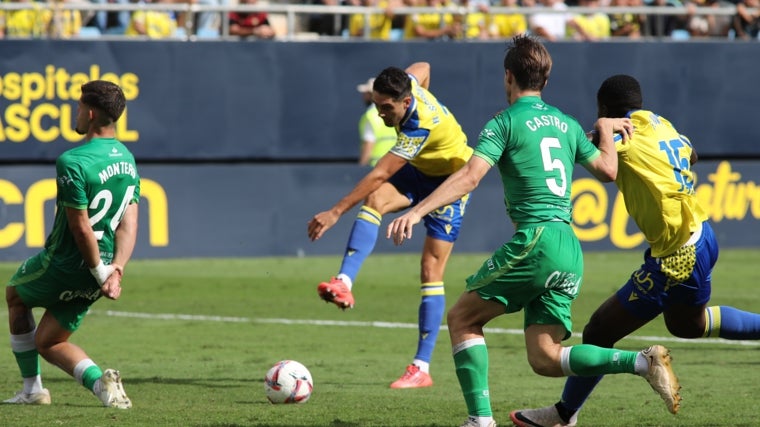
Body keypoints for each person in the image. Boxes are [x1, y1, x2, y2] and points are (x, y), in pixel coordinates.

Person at [386, 36, 681, 427]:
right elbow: (609, 172)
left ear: (508, 76)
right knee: (545, 357)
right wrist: (606, 129)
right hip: (569, 247)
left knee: (462, 319)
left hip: (537, 240)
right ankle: (642, 362)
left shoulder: (504, 123)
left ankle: (479, 421)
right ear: (546, 77)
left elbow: (471, 177)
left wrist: (418, 209)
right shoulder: (567, 123)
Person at [508, 74, 760, 427]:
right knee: (688, 325)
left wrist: (601, 128)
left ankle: (563, 415)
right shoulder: (659, 122)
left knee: (598, 332)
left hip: (677, 256)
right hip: (702, 235)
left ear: (606, 108)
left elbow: (593, 157)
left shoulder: (622, 134)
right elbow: (692, 152)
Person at [308, 62, 473, 389]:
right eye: (376, 105)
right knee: (375, 202)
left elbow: (380, 173)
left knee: (430, 269)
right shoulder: (409, 86)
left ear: (406, 103)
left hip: (450, 183)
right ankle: (344, 282)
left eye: (387, 108)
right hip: (422, 171)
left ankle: (421, 367)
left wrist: (336, 211)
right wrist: (419, 84)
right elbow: (424, 66)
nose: (381, 114)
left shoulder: (418, 127)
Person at [3, 80, 139, 409]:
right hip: (103, 267)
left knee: (15, 296)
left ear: (90, 114)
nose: (76, 113)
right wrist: (115, 270)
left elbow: (80, 228)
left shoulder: (72, 161)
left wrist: (97, 270)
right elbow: (129, 222)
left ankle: (32, 390)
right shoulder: (127, 157)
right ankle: (102, 386)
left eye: (78, 107)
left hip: (69, 262)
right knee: (49, 341)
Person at [356, 77, 397, 167]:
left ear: (372, 95)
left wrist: (361, 167)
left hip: (377, 167)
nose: (363, 96)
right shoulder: (394, 112)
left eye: (366, 93)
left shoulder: (370, 116)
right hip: (395, 166)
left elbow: (368, 144)